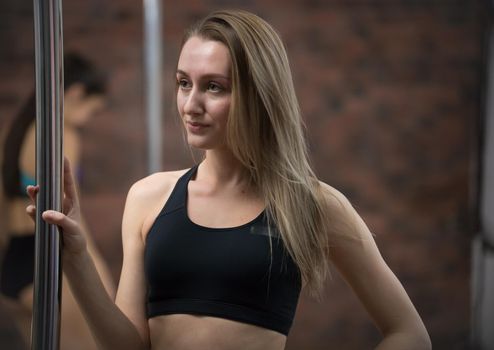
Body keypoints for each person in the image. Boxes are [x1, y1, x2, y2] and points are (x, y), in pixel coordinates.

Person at [26, 10, 431, 350]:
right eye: (184, 83)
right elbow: (127, 345)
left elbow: (410, 333)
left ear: (259, 95)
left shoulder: (313, 205)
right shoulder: (149, 197)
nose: (191, 104)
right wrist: (76, 259)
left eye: (214, 87)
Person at [0, 52, 115, 349]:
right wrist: (96, 271)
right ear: (76, 94)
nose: (89, 119)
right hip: (47, 257)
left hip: (15, 262)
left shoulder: (15, 134)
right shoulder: (61, 135)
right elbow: (69, 216)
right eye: (92, 109)